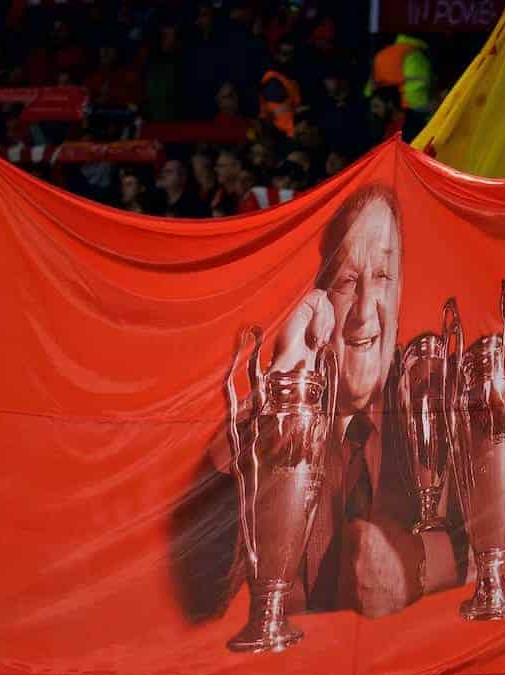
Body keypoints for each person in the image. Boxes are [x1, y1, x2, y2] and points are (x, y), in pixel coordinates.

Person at [176, 184, 470, 624]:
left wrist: (416, 565)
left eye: (384, 277)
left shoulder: (435, 400)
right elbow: (201, 584)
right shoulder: (272, 412)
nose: (366, 311)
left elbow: (498, 541)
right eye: (348, 281)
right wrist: (282, 386)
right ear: (319, 297)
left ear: (402, 287)